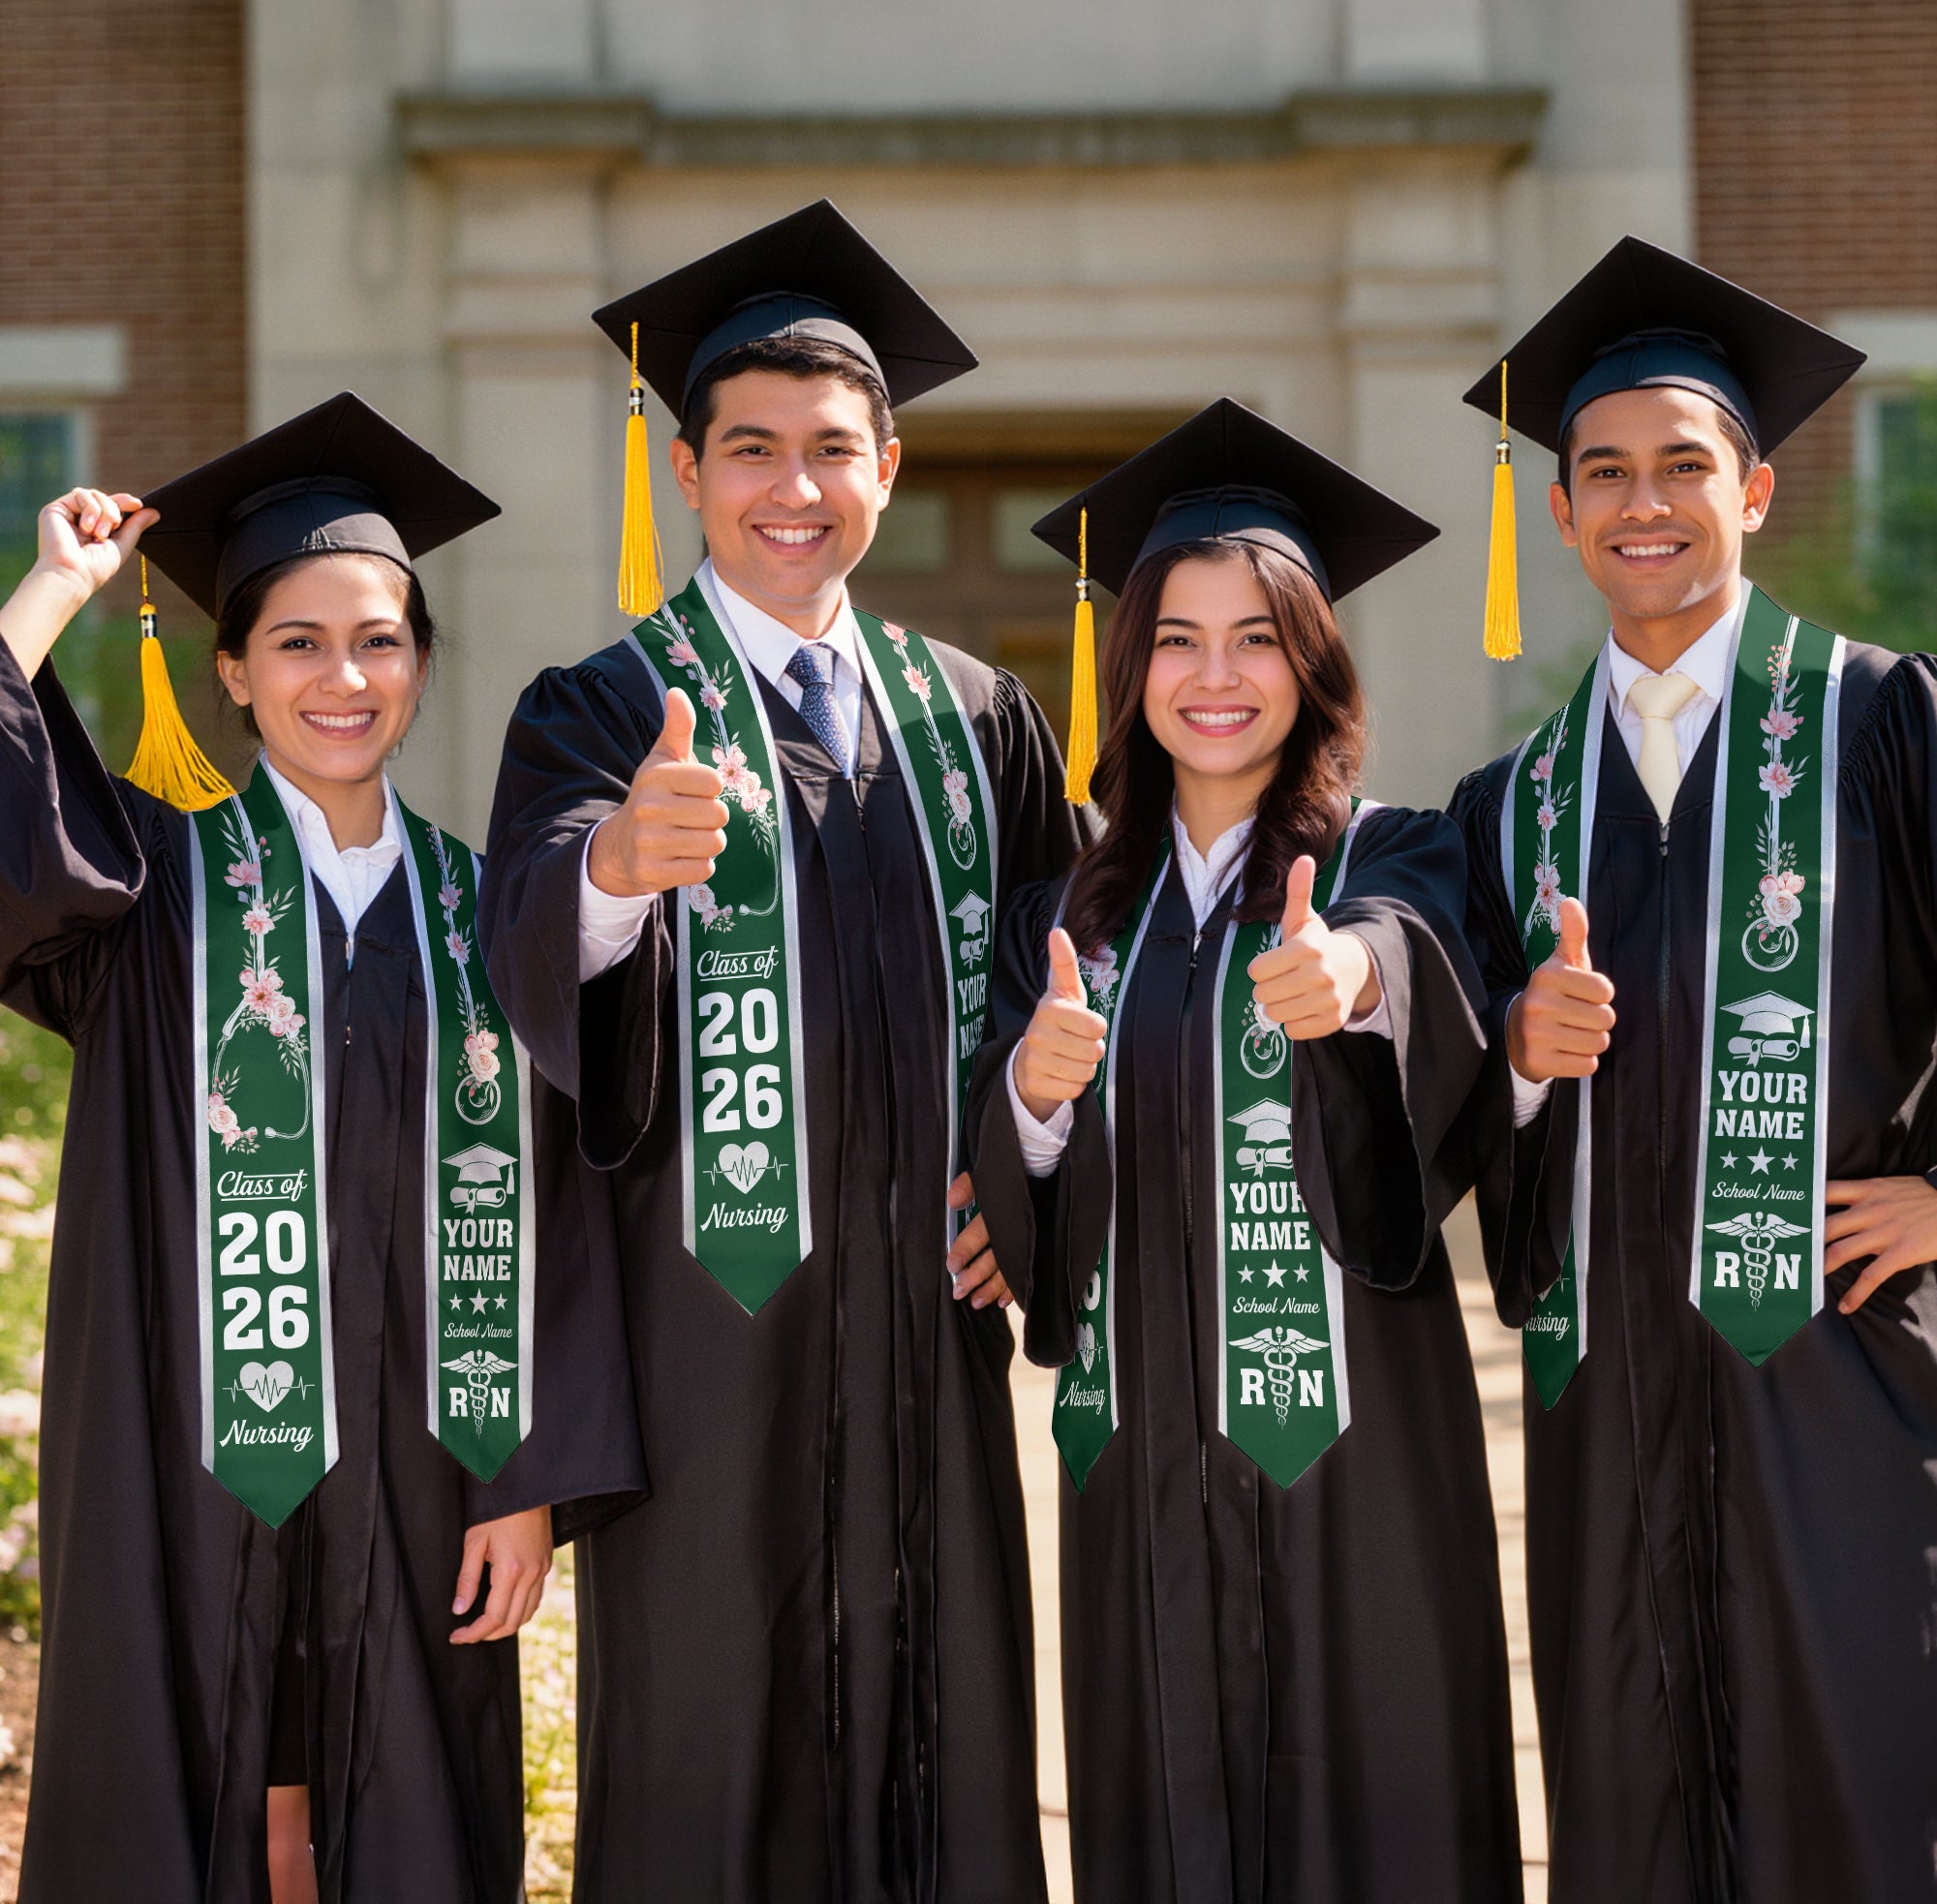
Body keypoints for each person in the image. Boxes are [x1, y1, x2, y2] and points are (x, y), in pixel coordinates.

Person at [481, 200, 1085, 1902]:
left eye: (833, 449)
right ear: (688, 471)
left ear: (889, 465)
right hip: (708, 1345)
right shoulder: (601, 707)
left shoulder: (977, 716)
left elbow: (1076, 969)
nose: (793, 488)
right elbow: (525, 931)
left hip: (925, 1335)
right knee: (710, 1751)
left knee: (944, 1735)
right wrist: (614, 868)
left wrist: (1028, 1174)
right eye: (751, 450)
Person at [0, 393, 642, 1903]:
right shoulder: (149, 889)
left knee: (406, 1805)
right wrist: (51, 593)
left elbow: (561, 1203)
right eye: (296, 642)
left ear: (420, 664)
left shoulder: (493, 910)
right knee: (193, 1777)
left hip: (429, 1470)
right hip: (185, 1451)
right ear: (231, 670)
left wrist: (530, 1477)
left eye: (379, 640)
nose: (341, 677)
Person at [966, 399, 1522, 1903]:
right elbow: (1019, 1192)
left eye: (1260, 637)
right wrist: (1029, 1091)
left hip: (1359, 1454)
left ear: (1315, 661)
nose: (1218, 677)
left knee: (1382, 1810)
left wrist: (1353, 982)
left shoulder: (1396, 854)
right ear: (1129, 664)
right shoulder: (1065, 915)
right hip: (1138, 1447)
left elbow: (1421, 963)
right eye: (1178, 639)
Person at [1449, 236, 1937, 1903]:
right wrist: (1513, 1056)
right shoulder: (1509, 807)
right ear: (1565, 512)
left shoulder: (1882, 725)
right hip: (1608, 1407)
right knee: (1630, 1802)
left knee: (1860, 1785)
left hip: (1841, 1374)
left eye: (1682, 466)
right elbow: (1442, 1111)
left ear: (1757, 489)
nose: (1641, 502)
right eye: (1603, 473)